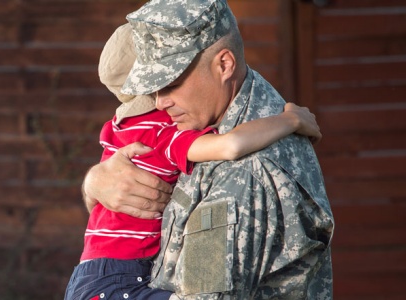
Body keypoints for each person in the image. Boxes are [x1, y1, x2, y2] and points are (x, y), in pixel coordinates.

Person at [82, 0, 335, 299]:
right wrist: (95, 184)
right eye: (152, 89)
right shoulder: (215, 111)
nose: (160, 102)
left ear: (224, 64)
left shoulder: (247, 171)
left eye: (171, 83)